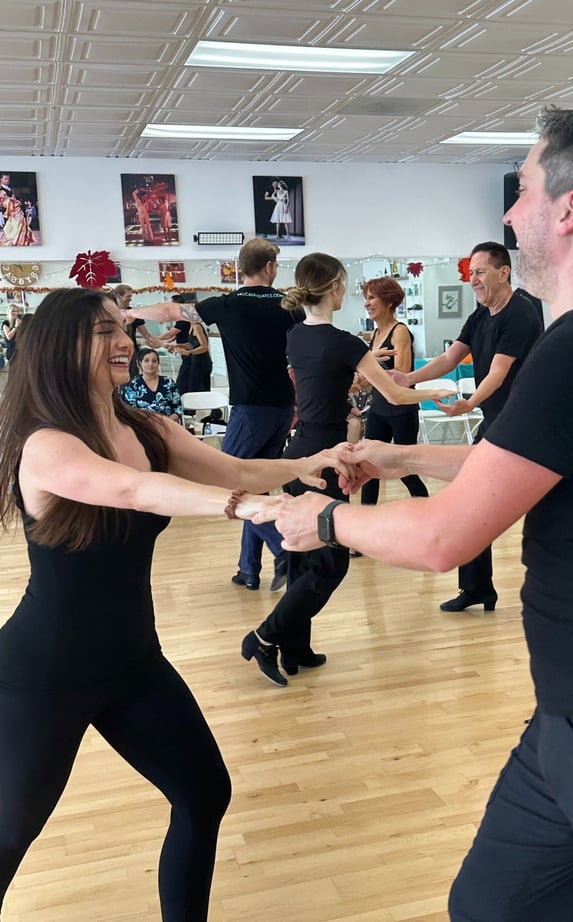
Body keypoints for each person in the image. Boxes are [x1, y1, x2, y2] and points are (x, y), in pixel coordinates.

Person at [267, 106, 573, 922]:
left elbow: (443, 538)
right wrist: (400, 458)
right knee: (489, 909)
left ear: (570, 210)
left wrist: (321, 523)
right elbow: (522, 463)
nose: (507, 212)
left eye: (523, 188)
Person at [0, 287, 350, 920]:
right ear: (60, 347)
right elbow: (135, 491)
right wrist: (255, 510)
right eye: (105, 332)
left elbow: (236, 471)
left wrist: (311, 463)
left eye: (123, 327)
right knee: (8, 838)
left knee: (203, 795)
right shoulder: (45, 444)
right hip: (43, 674)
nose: (124, 342)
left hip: (133, 663)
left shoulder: (146, 426)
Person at [240, 252, 451, 687]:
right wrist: (437, 392)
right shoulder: (346, 343)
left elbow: (321, 380)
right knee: (331, 562)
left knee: (302, 550)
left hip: (301, 448)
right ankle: (264, 638)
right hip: (327, 454)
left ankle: (295, 648)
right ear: (335, 287)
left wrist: (351, 378)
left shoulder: (296, 335)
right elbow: (393, 394)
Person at [125, 239, 300, 594]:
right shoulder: (288, 307)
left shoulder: (226, 304)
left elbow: (172, 312)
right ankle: (248, 569)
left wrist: (133, 314)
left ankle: (283, 550)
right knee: (255, 484)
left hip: (251, 408)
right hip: (282, 406)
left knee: (227, 480)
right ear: (268, 267)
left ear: (243, 267)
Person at [392, 242, 542, 613]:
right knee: (469, 500)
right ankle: (476, 587)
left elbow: (498, 371)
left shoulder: (520, 314)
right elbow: (450, 357)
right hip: (497, 422)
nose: (471, 279)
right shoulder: (481, 314)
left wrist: (469, 403)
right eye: (470, 273)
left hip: (524, 425)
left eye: (479, 272)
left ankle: (533, 588)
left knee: (521, 505)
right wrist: (407, 377)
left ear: (503, 272)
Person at [358, 276, 428, 507]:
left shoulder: (400, 332)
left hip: (401, 411)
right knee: (369, 466)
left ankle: (426, 511)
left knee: (404, 470)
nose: (367, 303)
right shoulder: (375, 335)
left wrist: (370, 372)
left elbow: (402, 375)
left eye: (371, 298)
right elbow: (372, 377)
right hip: (379, 409)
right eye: (366, 298)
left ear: (388, 302)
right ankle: (365, 522)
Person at [121, 347, 183, 423]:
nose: (150, 364)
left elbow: (178, 409)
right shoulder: (132, 385)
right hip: (142, 426)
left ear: (158, 363)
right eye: (146, 361)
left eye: (154, 361)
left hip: (167, 425)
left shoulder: (168, 382)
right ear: (140, 363)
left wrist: (167, 422)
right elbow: (129, 411)